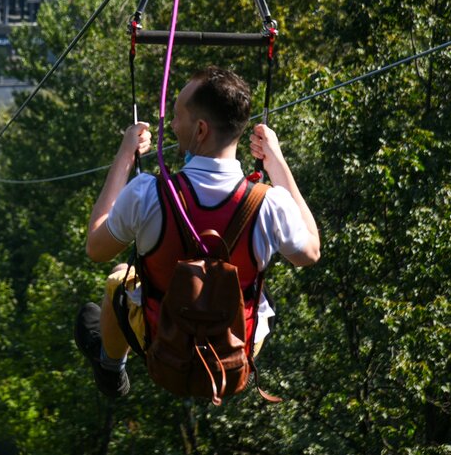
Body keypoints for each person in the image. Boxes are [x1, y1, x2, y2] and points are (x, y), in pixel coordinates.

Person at [75, 65, 320, 398]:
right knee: (259, 294)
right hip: (236, 348)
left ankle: (111, 368)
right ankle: (229, 359)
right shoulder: (270, 204)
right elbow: (311, 252)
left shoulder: (148, 194)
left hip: (164, 342)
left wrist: (124, 158)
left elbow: (96, 247)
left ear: (201, 129)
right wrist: (276, 162)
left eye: (178, 116)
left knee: (119, 277)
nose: (172, 125)